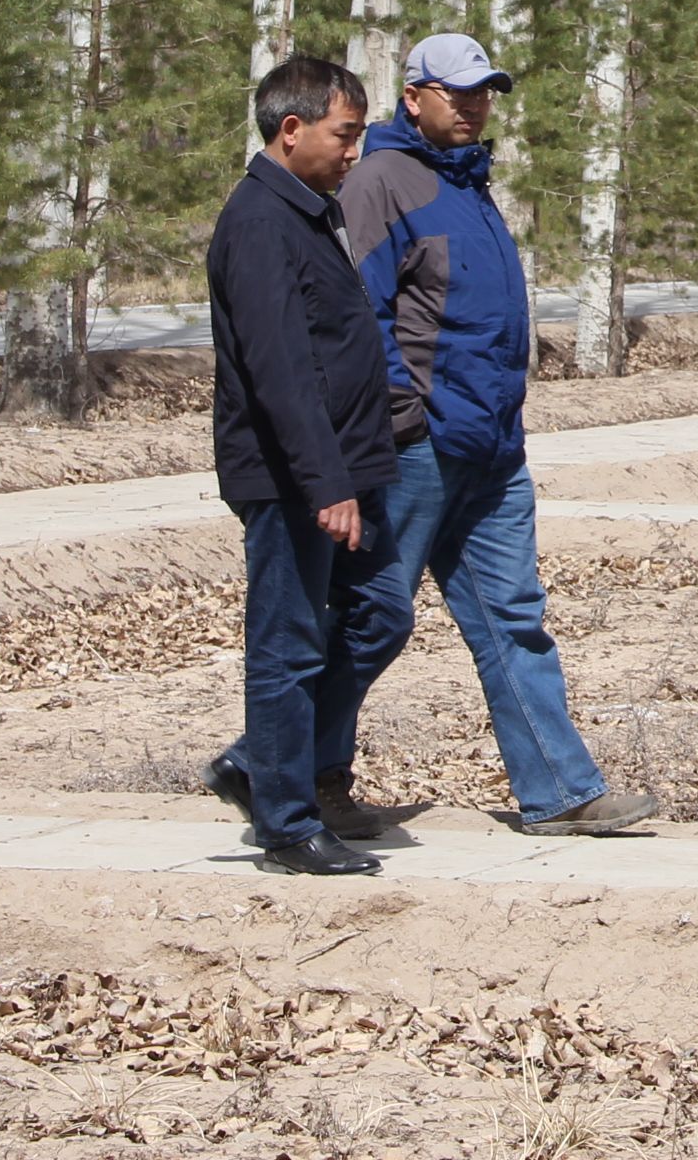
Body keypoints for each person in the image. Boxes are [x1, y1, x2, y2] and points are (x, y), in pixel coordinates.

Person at [211, 34, 653, 839]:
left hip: (490, 447)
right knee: (372, 617)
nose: (476, 105)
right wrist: (398, 418)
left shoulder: (467, 181)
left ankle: (559, 790)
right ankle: (284, 765)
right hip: (418, 447)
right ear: (413, 96)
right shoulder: (380, 180)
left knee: (513, 615)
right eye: (458, 92)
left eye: (485, 92)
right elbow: (355, 320)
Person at [205, 56, 398, 875]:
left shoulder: (305, 211)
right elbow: (281, 367)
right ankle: (286, 823)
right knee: (285, 645)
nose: (354, 152)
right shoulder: (258, 221)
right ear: (292, 130)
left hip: (343, 471)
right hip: (292, 480)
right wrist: (325, 484)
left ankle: (258, 761)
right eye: (344, 134)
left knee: (378, 616)